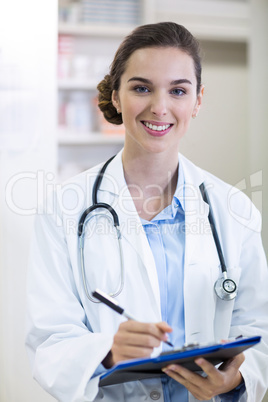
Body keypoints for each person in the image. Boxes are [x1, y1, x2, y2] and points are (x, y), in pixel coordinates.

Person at [25, 22, 268, 402]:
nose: (160, 107)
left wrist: (236, 380)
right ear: (116, 96)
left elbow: (259, 326)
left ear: (198, 100)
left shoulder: (233, 209)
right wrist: (107, 350)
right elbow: (48, 341)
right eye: (141, 88)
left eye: (178, 91)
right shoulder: (63, 209)